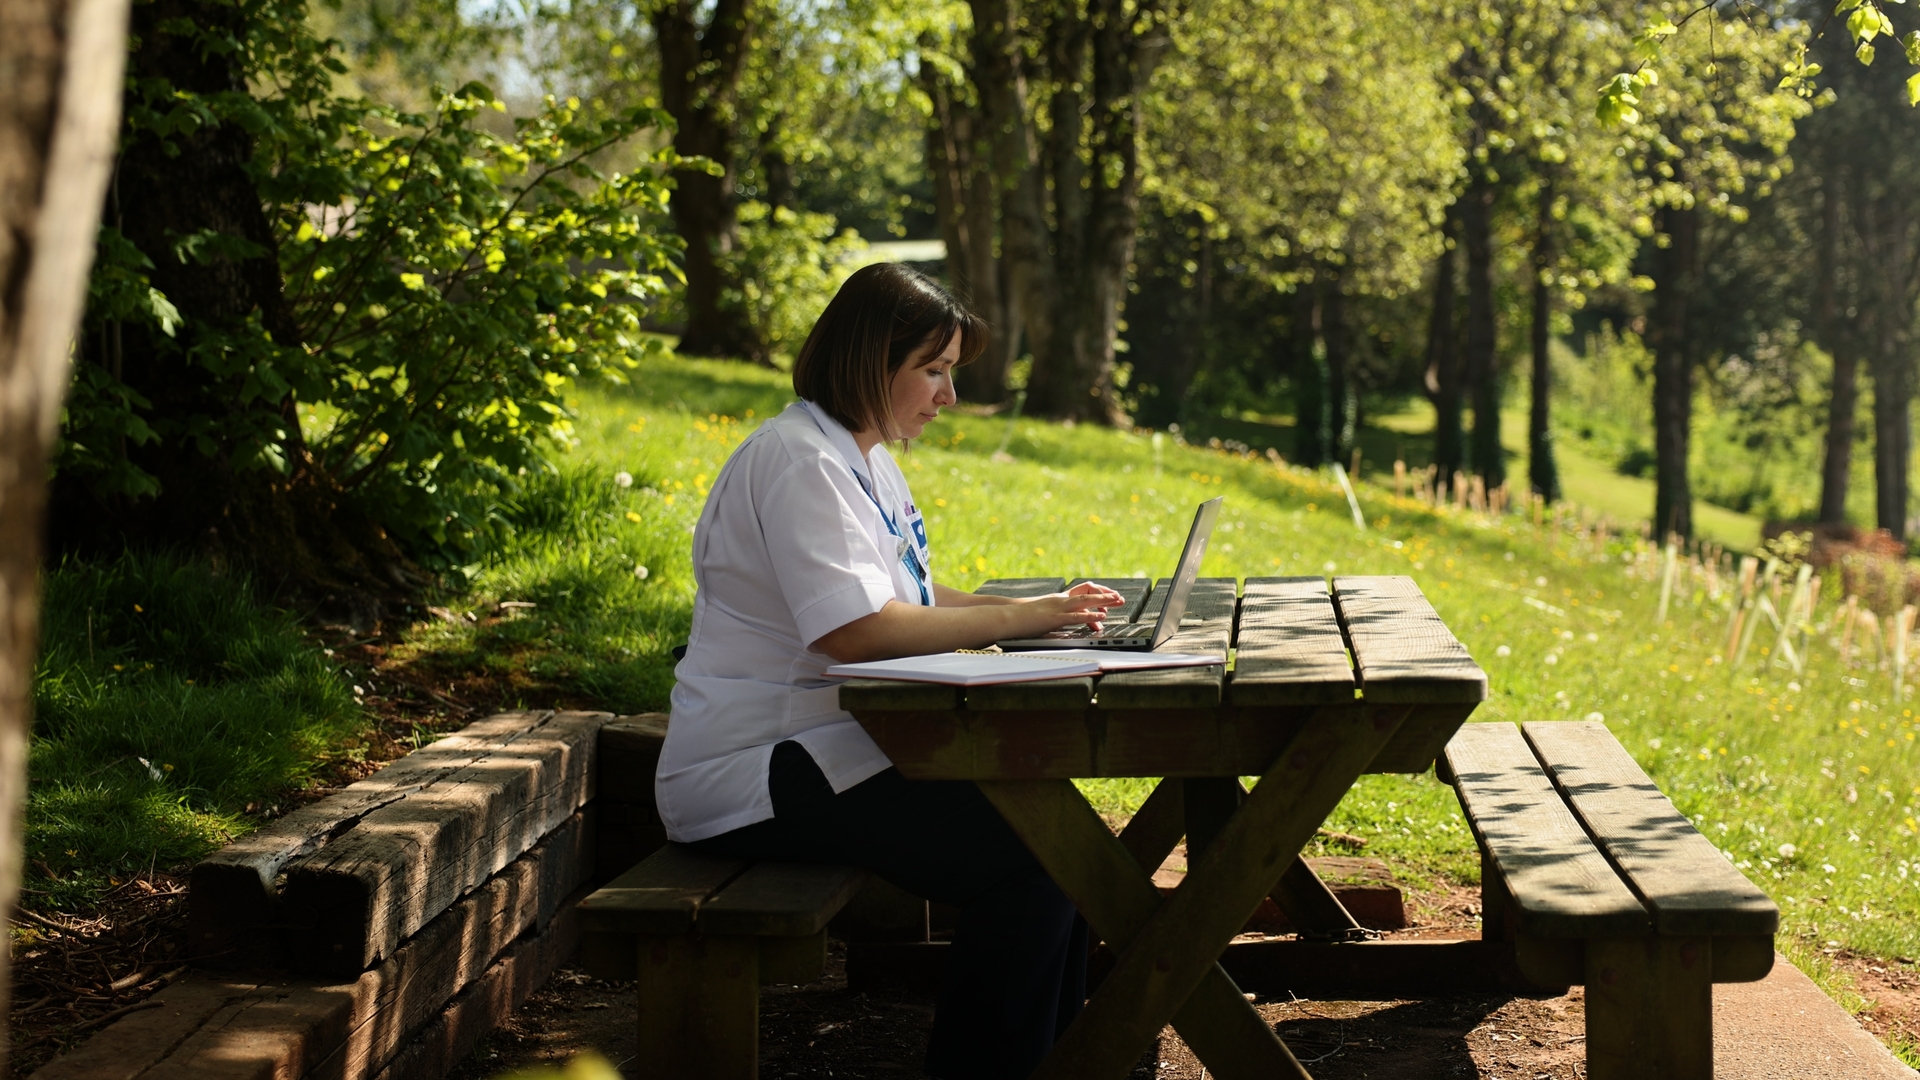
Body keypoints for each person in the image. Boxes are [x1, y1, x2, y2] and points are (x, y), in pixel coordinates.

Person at [655, 263, 1125, 1077]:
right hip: (756, 769)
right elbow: (855, 631)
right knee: (1040, 859)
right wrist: (1020, 620)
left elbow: (906, 595)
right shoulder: (799, 461)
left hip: (833, 748)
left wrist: (1037, 611)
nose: (949, 396)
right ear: (872, 363)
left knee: (1061, 844)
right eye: (933, 370)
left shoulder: (860, 455)